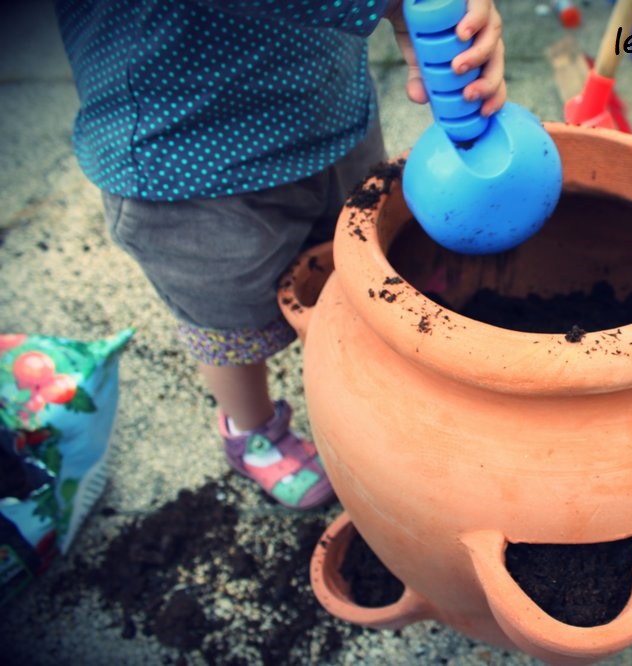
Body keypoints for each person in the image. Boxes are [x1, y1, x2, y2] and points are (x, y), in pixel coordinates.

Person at [53, 0, 507, 510]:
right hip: (188, 160)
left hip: (327, 110)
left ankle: (391, 352)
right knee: (229, 321)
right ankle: (251, 429)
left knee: (369, 256)